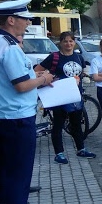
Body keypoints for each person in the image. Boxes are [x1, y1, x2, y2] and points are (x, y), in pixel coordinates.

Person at [0, 0, 54, 204]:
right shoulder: (9, 47)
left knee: (6, 161)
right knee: (19, 169)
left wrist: (35, 75)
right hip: (17, 115)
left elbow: (10, 77)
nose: (28, 22)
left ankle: (5, 197)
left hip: (0, 113)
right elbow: (21, 85)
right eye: (25, 19)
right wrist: (44, 80)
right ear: (11, 20)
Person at [35, 31, 96, 164]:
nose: (68, 44)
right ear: (60, 43)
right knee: (58, 124)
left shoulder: (78, 57)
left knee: (76, 124)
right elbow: (36, 71)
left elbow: (81, 73)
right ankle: (59, 153)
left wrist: (81, 79)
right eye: (65, 41)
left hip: (75, 95)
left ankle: (81, 149)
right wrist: (47, 79)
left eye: (71, 41)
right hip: (60, 96)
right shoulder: (54, 57)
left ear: (74, 42)